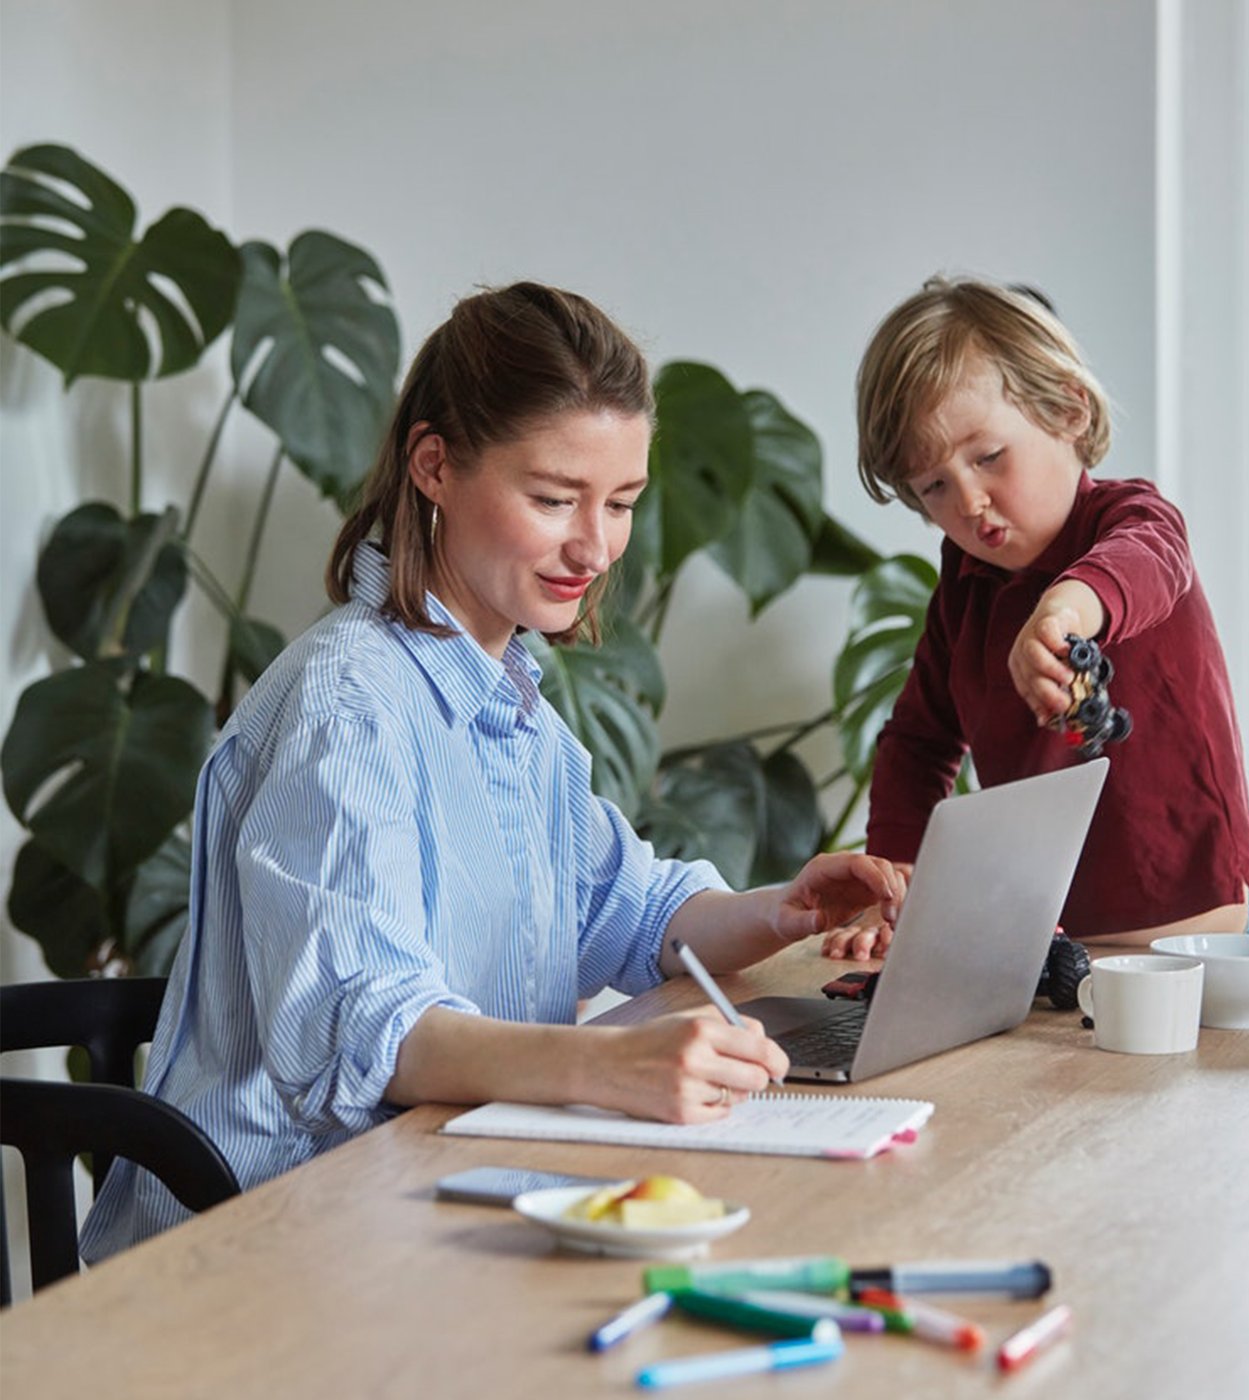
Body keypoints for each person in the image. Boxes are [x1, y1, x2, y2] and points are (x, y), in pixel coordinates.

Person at [81, 282, 903, 1259]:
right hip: (274, 1238)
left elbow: (631, 912)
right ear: (434, 465)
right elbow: (372, 1036)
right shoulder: (349, 706)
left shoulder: (515, 709)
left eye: (622, 503)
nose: (593, 545)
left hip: (437, 1198)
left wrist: (790, 906)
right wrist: (606, 1064)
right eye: (553, 498)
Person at [823, 275, 1249, 961]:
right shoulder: (965, 588)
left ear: (1069, 411)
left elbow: (1147, 562)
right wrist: (892, 878)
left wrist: (1066, 608)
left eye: (989, 456)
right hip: (1046, 948)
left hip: (1191, 946)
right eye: (935, 486)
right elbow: (918, 744)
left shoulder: (1131, 519)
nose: (969, 501)